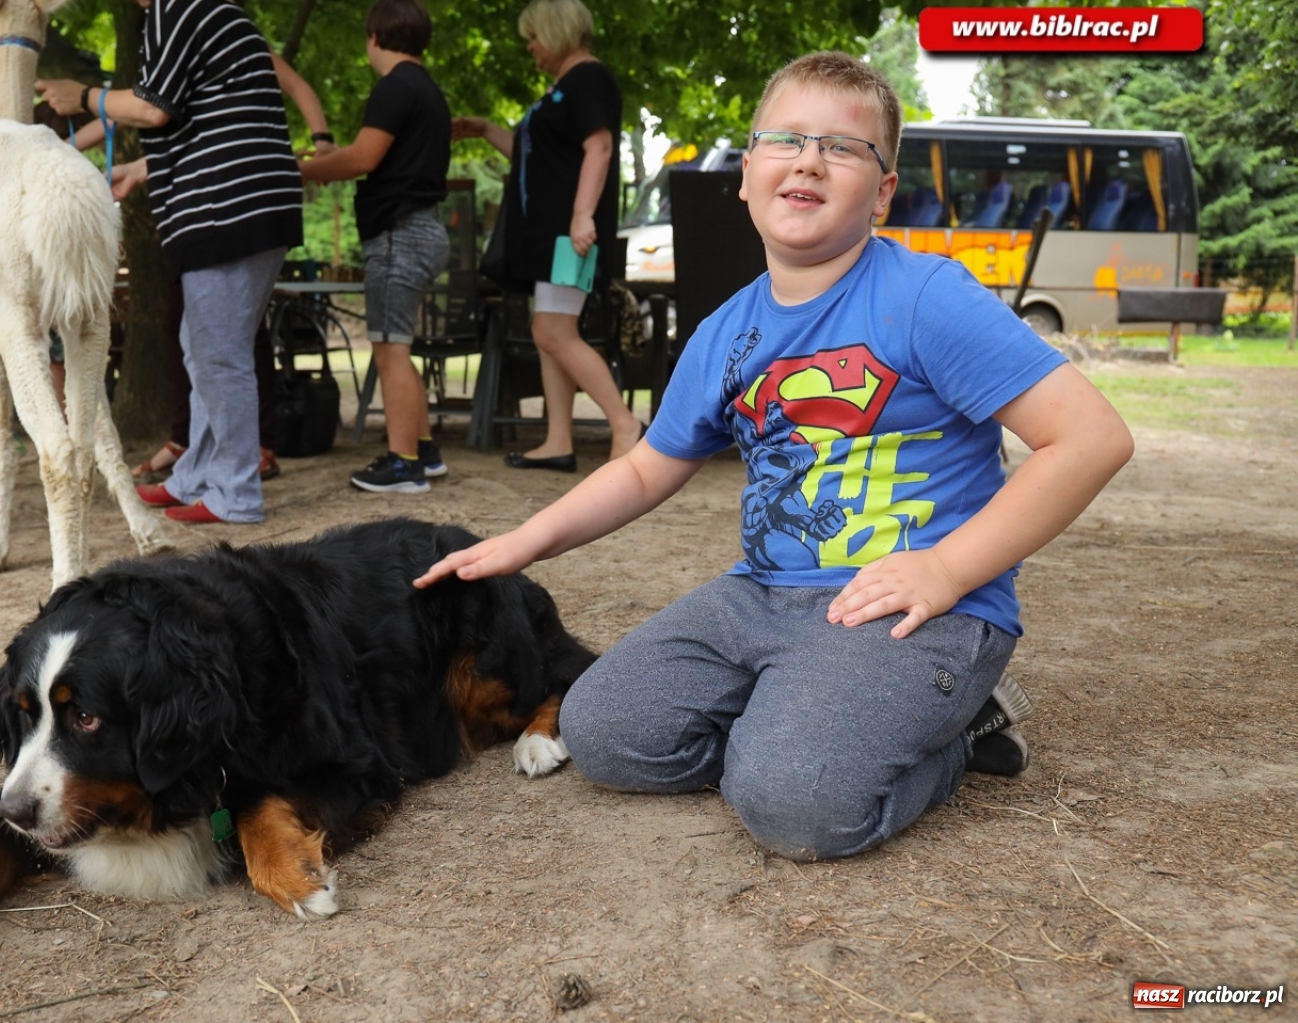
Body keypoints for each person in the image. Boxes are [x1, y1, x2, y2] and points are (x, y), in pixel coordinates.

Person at [416, 51, 1135, 861]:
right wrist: (523, 542)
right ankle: (805, 723)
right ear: (747, 174)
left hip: (915, 609)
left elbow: (1091, 438)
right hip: (763, 596)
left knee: (795, 805)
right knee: (605, 731)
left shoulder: (925, 296)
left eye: (841, 146)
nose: (808, 159)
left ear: (883, 193)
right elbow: (647, 468)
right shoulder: (724, 332)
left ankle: (959, 730)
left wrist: (945, 569)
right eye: (785, 139)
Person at [36, 0, 303, 525]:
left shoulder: (176, 6)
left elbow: (153, 107)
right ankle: (195, 478)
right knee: (203, 346)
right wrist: (142, 170)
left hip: (226, 210)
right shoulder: (221, 10)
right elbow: (212, 118)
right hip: (252, 201)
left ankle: (235, 494)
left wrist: (85, 95)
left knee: (220, 354)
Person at [453, 0, 642, 472]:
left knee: (552, 331)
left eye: (533, 36)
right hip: (554, 237)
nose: (530, 46)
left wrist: (582, 217)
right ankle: (558, 441)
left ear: (556, 32)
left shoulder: (589, 79)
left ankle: (625, 425)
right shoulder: (564, 87)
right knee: (551, 333)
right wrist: (485, 129)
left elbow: (599, 147)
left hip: (568, 236)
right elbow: (532, 153)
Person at [131, 53, 339, 484]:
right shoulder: (183, 66)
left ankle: (242, 459)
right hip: (197, 208)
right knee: (194, 334)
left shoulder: (244, 54)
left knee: (233, 339)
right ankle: (195, 452)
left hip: (234, 207)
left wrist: (322, 141)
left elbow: (299, 87)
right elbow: (151, 113)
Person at [300, 0, 451, 494]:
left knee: (389, 349)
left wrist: (302, 171)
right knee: (398, 347)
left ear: (374, 37)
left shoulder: (393, 87)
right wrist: (327, 160)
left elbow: (364, 157)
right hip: (423, 228)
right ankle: (424, 451)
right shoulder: (427, 89)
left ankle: (403, 464)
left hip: (398, 233)